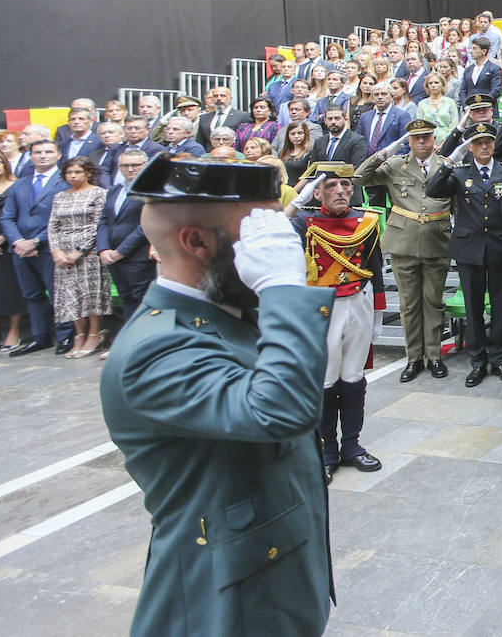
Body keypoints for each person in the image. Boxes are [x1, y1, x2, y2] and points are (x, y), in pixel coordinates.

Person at [99, 156, 335, 635]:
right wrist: (282, 287)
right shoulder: (156, 349)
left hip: (277, 584)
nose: (272, 246)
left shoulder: (227, 309)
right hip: (224, 607)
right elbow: (281, 411)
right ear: (197, 242)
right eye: (257, 233)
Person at [285, 163, 384, 481]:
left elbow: (375, 268)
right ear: (316, 192)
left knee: (353, 379)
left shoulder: (365, 221)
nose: (340, 191)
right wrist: (297, 202)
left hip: (357, 304)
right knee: (325, 382)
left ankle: (352, 445)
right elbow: (271, 231)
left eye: (344, 185)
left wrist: (378, 313)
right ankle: (327, 450)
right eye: (330, 186)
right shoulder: (304, 222)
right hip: (321, 309)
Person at [354, 120, 453, 382]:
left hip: (437, 239)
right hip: (403, 241)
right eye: (416, 137)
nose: (421, 142)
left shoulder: (446, 165)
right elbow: (360, 177)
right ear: (408, 141)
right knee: (409, 304)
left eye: (426, 137)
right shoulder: (396, 164)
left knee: (433, 301)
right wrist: (385, 151)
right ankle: (413, 358)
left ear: (434, 139)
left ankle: (434, 356)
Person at [425, 124, 502, 387]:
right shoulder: (459, 172)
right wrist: (449, 160)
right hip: (469, 247)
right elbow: (432, 190)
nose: (485, 147)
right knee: (473, 307)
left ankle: (499, 358)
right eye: (478, 143)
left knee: (500, 305)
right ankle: (477, 361)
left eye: (488, 142)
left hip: (499, 245)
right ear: (471, 147)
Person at [1, 138, 74, 356]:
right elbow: (7, 217)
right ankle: (40, 336)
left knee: (58, 293)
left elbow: (62, 219)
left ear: (59, 155)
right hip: (20, 249)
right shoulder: (21, 183)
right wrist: (18, 242)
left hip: (50, 247)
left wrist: (35, 241)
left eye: (48, 152)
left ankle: (65, 336)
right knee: (32, 295)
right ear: (30, 156)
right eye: (38, 152)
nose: (43, 156)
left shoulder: (64, 183)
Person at [48, 155, 109, 357]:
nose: (73, 176)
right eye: (69, 172)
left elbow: (97, 225)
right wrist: (56, 250)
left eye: (77, 172)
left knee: (90, 294)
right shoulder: (60, 196)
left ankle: (94, 334)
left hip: (88, 252)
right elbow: (52, 226)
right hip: (62, 253)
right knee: (69, 296)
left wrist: (78, 251)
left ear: (88, 173)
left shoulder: (98, 193)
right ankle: (79, 336)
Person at [95, 147, 152, 348]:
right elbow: (103, 220)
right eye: (125, 165)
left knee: (140, 299)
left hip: (137, 256)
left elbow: (145, 225)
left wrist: (121, 252)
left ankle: (140, 343)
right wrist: (103, 249)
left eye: (135, 165)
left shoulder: (150, 190)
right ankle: (129, 341)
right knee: (126, 298)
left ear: (145, 166)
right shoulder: (114, 190)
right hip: (112, 255)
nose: (130, 169)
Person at [0, 151, 28, 351]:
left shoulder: (18, 184)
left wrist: (5, 238)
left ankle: (14, 329)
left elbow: (22, 213)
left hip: (12, 241)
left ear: (5, 164)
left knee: (12, 287)